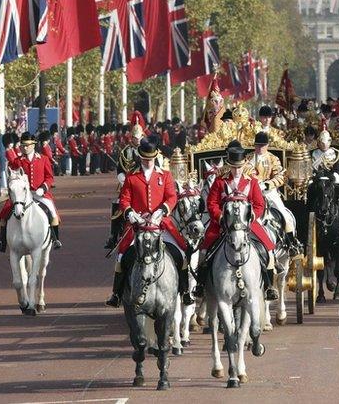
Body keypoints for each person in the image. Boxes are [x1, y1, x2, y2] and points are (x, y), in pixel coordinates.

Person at [105, 140, 191, 307]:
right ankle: (116, 293)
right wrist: (131, 213)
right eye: (145, 159)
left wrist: (162, 210)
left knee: (181, 253)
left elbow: (172, 197)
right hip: (138, 225)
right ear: (140, 157)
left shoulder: (164, 175)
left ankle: (185, 291)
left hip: (161, 224)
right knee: (122, 256)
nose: (148, 162)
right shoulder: (132, 176)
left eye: (150, 159)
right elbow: (124, 199)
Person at [193, 141, 279, 301]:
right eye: (233, 166)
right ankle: (201, 284)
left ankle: (268, 285)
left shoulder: (251, 181)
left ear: (244, 165)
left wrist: (251, 216)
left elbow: (259, 204)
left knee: (268, 247)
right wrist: (220, 217)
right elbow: (211, 203)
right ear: (229, 165)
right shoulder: (220, 181)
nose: (236, 170)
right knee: (204, 249)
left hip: (247, 222)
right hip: (222, 223)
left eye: (239, 166)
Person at [0, 132, 61, 251]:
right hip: (21, 195)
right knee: (4, 214)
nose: (25, 148)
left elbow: (49, 177)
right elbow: (12, 178)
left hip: (39, 193)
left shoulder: (43, 159)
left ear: (33, 145)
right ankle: (1, 240)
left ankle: (55, 239)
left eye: (28, 145)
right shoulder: (16, 161)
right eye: (23, 145)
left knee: (52, 212)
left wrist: (43, 188)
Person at [247, 131, 302, 253]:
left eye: (262, 145)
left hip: (268, 191)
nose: (260, 148)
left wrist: (267, 184)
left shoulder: (273, 159)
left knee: (285, 215)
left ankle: (291, 243)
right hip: (251, 192)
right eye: (257, 145)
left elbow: (281, 177)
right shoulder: (248, 158)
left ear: (267, 145)